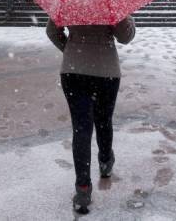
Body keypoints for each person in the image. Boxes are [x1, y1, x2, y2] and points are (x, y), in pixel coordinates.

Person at [46, 16, 136, 214]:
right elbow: (125, 36)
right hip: (106, 71)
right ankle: (105, 162)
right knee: (103, 120)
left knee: (81, 128)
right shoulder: (111, 2)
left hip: (73, 71)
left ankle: (83, 190)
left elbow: (52, 32)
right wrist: (127, 17)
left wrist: (71, 49)